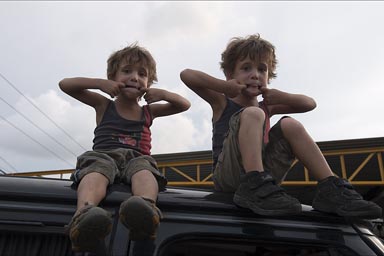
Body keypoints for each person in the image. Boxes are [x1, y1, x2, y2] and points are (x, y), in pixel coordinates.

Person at [180, 34, 382, 218]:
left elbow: (309, 103)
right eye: (246, 68)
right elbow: (186, 74)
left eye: (262, 69)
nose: (255, 75)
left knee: (290, 124)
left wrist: (282, 96)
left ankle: (331, 188)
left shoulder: (267, 107)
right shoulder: (222, 103)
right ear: (230, 74)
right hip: (230, 179)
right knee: (253, 113)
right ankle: (254, 184)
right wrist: (225, 87)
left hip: (267, 179)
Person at [59, 42, 191, 253]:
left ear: (148, 82)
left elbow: (184, 104)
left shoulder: (149, 111)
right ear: (113, 77)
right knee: (95, 174)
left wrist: (164, 94)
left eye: (142, 74)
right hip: (104, 156)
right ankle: (84, 215)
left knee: (146, 173)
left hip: (136, 159)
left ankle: (145, 211)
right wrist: (99, 83)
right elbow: (65, 84)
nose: (134, 77)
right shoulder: (104, 105)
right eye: (126, 71)